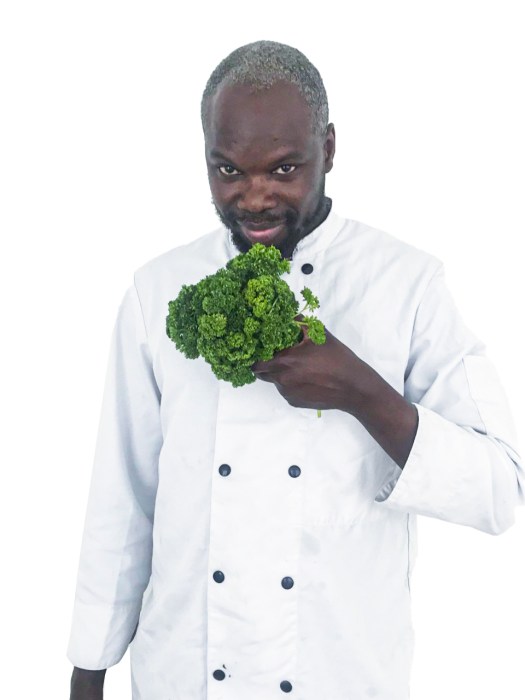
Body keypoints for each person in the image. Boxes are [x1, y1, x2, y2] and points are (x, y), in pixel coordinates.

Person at [68, 40, 524, 700]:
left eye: (285, 168)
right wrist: (88, 670)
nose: (254, 197)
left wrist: (362, 392)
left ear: (328, 149)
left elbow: (499, 490)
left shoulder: (406, 285)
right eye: (228, 170)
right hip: (183, 676)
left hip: (337, 677)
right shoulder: (157, 290)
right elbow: (123, 497)